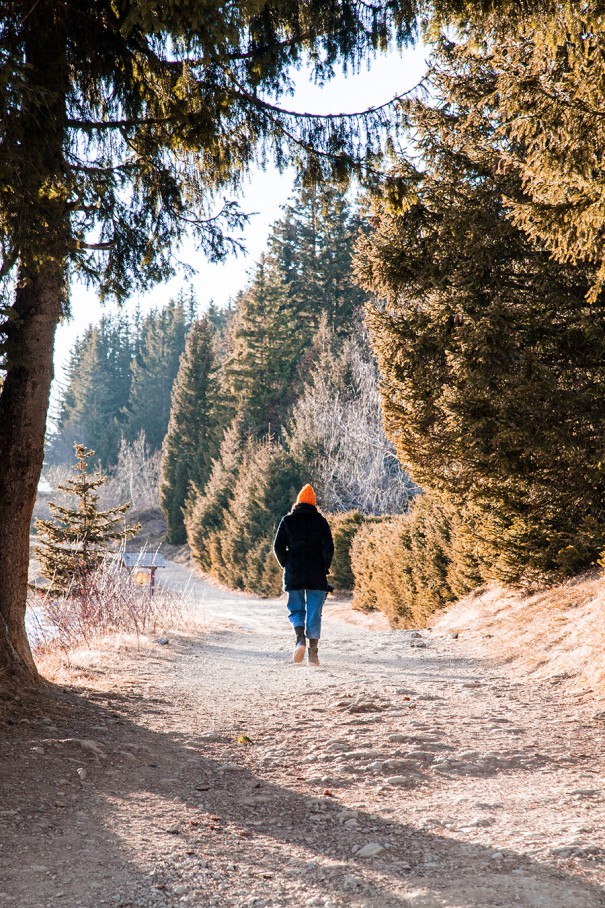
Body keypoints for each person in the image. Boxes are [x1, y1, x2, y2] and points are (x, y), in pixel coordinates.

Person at [273, 483, 334, 665]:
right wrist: (324, 567)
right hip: (316, 574)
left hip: (294, 572)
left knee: (296, 609)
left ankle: (299, 639)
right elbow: (328, 548)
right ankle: (313, 654)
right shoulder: (321, 521)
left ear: (297, 503)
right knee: (314, 612)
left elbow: (277, 547)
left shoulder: (287, 520)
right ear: (313, 504)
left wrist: (286, 563)